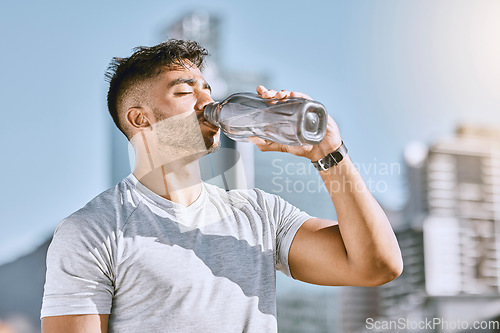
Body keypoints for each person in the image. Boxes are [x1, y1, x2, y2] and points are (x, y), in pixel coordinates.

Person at [40, 39, 402, 333]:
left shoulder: (259, 213)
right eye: (185, 92)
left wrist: (328, 152)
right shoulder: (92, 231)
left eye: (208, 91)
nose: (208, 103)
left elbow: (376, 266)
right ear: (140, 118)